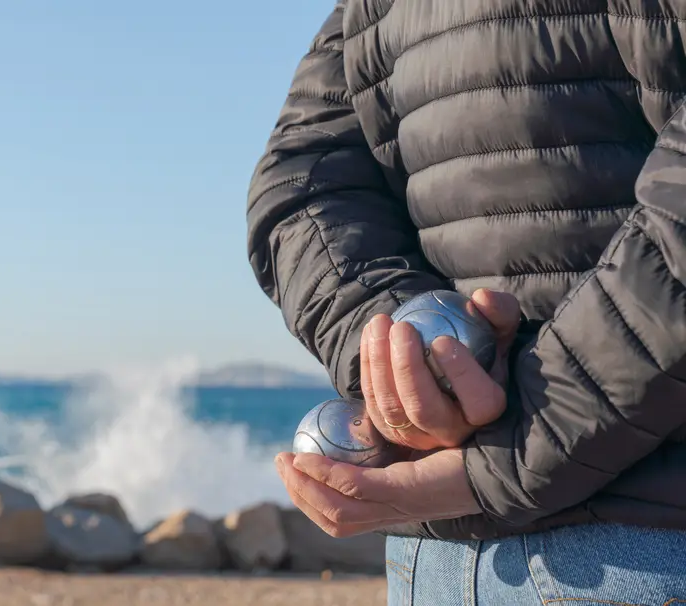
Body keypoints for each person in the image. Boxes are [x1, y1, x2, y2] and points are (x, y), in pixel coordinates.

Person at [245, 1, 686, 604]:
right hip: (451, 547)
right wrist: (405, 363)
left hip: (621, 540)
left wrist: (517, 441)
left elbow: (304, 179)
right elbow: (305, 179)